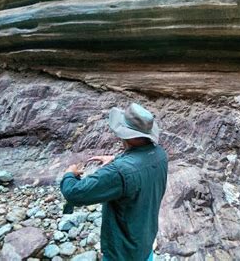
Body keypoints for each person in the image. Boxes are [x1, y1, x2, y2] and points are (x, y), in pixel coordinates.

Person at [60, 103, 168, 260]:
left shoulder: (118, 172)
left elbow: (74, 194)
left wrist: (69, 174)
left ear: (124, 134)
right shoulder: (160, 155)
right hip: (144, 243)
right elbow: (139, 163)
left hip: (122, 253)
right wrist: (116, 159)